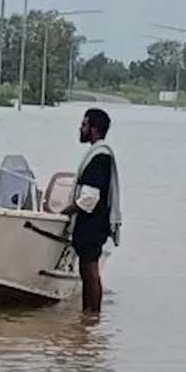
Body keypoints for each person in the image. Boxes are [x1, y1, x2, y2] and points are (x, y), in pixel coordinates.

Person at [62, 108, 122, 314]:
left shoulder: (99, 156)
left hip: (92, 224)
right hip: (92, 223)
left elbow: (89, 198)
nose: (81, 128)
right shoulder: (98, 154)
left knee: (90, 271)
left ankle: (92, 315)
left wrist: (66, 211)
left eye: (84, 124)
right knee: (87, 270)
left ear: (94, 129)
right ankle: (87, 321)